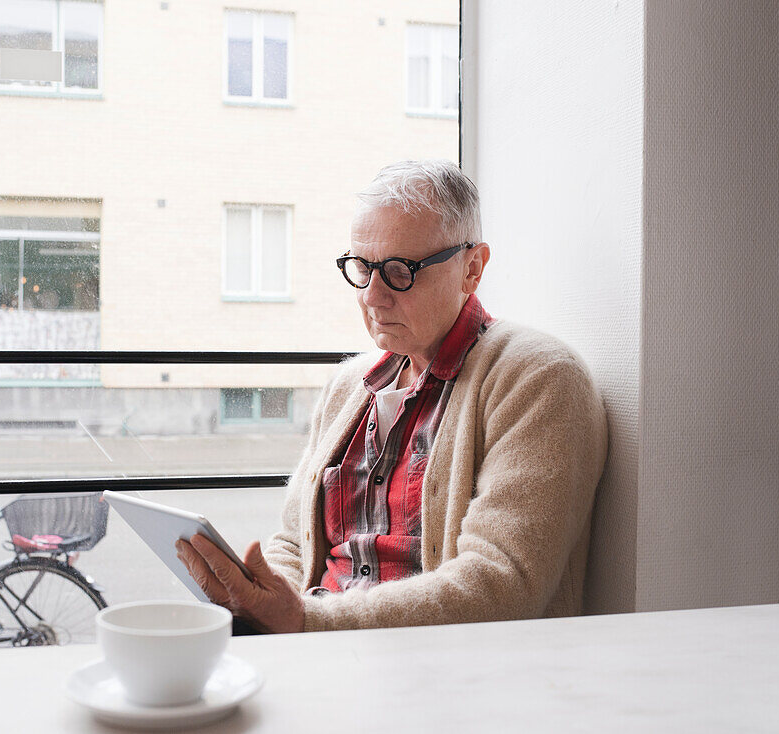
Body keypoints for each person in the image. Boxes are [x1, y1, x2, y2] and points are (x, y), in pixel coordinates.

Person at [177, 160, 607, 633]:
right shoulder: (348, 386)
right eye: (361, 268)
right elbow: (294, 545)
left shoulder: (539, 378)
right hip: (317, 654)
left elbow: (499, 585)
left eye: (400, 271)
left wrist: (306, 621)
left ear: (472, 268)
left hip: (449, 677)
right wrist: (260, 603)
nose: (372, 296)